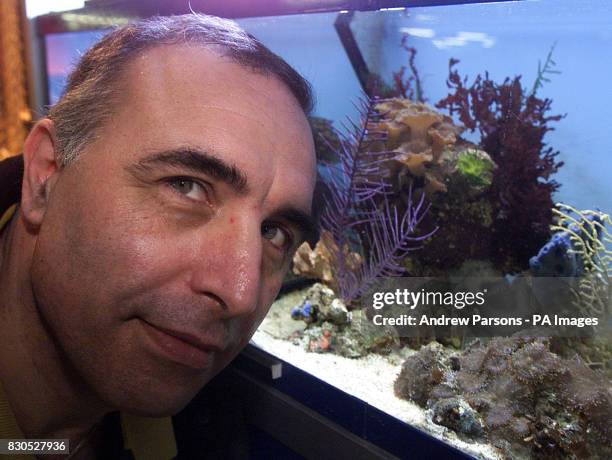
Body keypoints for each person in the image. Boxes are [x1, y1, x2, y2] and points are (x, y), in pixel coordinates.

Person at [0, 13, 318, 459]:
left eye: (274, 232)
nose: (241, 294)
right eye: (185, 186)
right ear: (46, 175)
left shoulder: (211, 421)